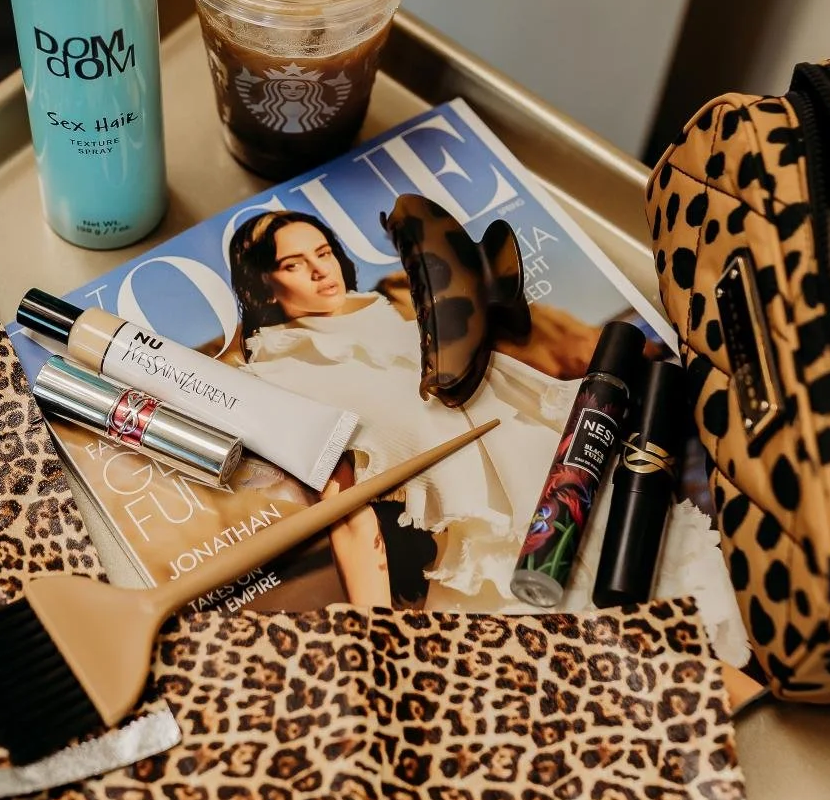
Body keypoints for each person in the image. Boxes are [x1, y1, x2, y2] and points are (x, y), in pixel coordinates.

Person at [228, 210, 575, 609]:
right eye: (293, 265)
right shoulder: (284, 375)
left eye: (324, 254)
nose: (320, 271)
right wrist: (374, 630)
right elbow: (345, 512)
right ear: (265, 287)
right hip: (485, 556)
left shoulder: (389, 318)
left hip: (560, 476)